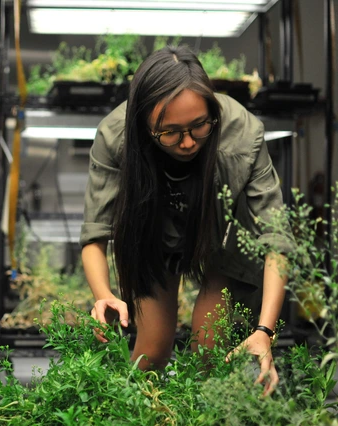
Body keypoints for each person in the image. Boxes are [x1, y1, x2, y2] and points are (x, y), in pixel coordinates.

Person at [80, 45, 294, 396]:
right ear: (144, 124)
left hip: (221, 240)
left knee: (209, 356)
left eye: (199, 127)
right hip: (153, 237)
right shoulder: (116, 135)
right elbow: (95, 233)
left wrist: (264, 331)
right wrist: (103, 294)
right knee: (151, 353)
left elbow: (277, 241)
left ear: (211, 111)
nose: (188, 142)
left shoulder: (242, 134)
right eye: (170, 132)